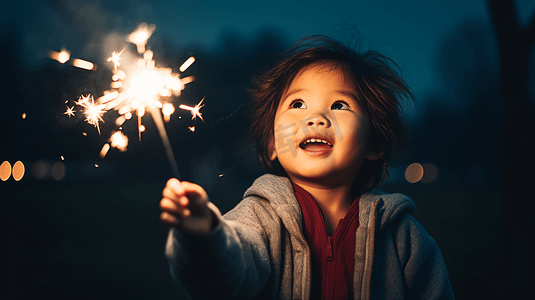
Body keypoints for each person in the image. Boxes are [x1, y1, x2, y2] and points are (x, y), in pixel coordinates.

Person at [160, 36, 455, 300]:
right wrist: (203, 238)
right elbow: (224, 280)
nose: (316, 117)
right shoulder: (259, 219)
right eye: (297, 103)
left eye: (339, 105)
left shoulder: (403, 237)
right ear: (273, 145)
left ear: (373, 145)